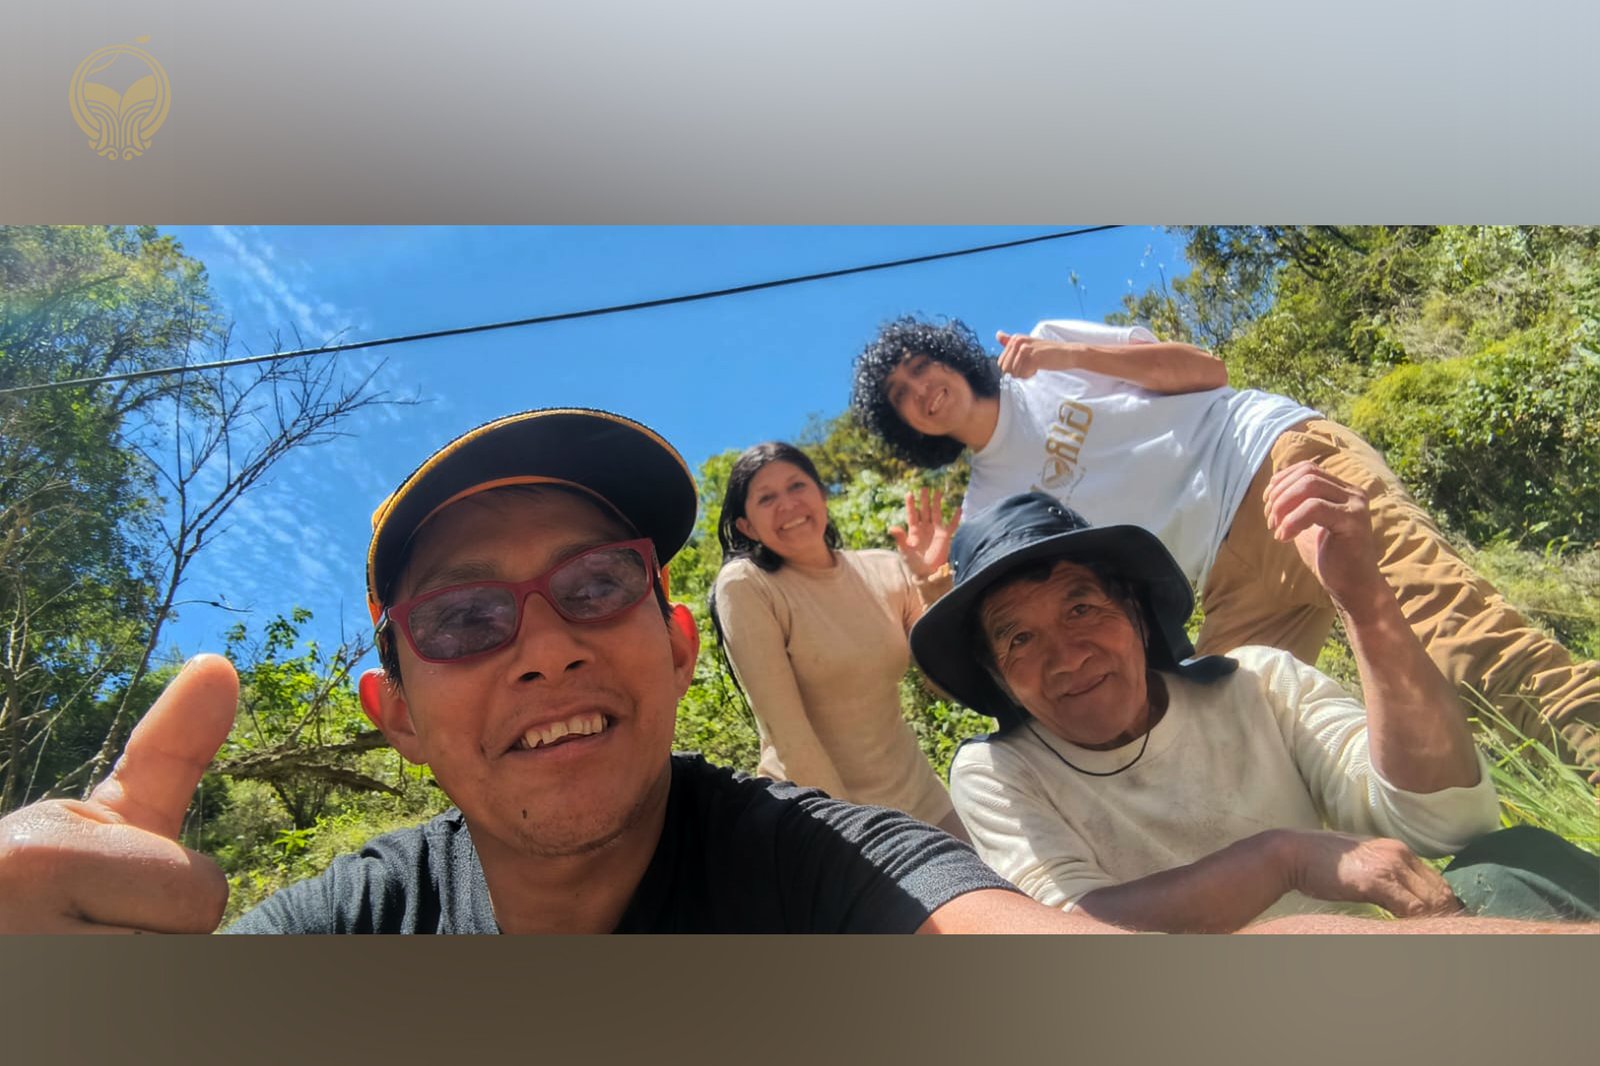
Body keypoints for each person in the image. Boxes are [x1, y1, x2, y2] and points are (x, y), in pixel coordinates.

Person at [0, 407, 1588, 935]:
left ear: (662, 638)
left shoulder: (878, 627)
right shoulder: (366, 915)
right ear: (394, 715)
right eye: (467, 619)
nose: (546, 639)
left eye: (596, 586)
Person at [851, 315, 1600, 776]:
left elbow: (1206, 372)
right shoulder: (988, 507)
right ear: (907, 429)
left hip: (1276, 465)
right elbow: (986, 657)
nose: (921, 389)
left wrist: (1066, 355)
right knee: (1224, 752)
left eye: (922, 367)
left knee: (1463, 646)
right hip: (1223, 579)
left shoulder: (1049, 354)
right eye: (902, 397)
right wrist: (933, 579)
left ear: (950, 356)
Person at [907, 469, 1600, 932]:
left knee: (1520, 860)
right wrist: (1282, 859)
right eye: (1019, 638)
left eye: (1082, 608)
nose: (1066, 656)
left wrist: (1365, 602)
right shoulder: (1000, 772)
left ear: (1138, 617)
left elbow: (1446, 820)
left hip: (1370, 961)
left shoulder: (1256, 683)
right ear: (998, 677)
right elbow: (1074, 930)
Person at [710, 442, 966, 839]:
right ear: (747, 526)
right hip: (825, 819)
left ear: (822, 493)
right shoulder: (748, 586)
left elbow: (949, 685)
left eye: (797, 486)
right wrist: (857, 839)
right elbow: (790, 739)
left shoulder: (886, 568)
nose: (788, 504)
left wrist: (934, 595)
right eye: (766, 498)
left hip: (922, 800)